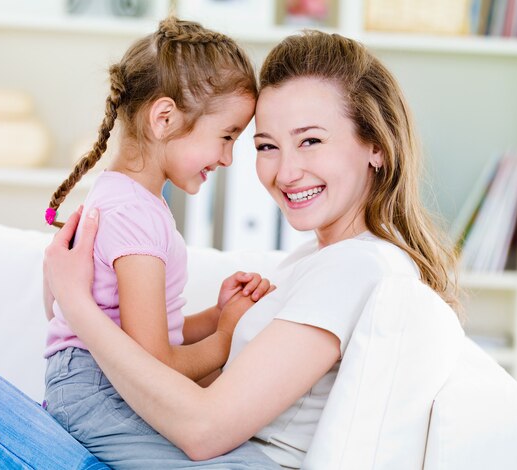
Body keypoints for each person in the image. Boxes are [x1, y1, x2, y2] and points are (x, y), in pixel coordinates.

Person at [43, 29, 459, 468]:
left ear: (376, 144)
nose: (286, 171)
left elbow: (202, 428)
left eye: (311, 140)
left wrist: (76, 302)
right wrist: (220, 321)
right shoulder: (312, 261)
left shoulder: (356, 265)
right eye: (266, 146)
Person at [41, 16, 280, 469]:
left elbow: (143, 328)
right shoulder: (135, 215)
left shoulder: (128, 199)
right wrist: (227, 337)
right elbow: (155, 364)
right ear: (164, 118)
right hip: (100, 393)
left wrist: (213, 317)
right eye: (227, 136)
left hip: (95, 383)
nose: (228, 158)